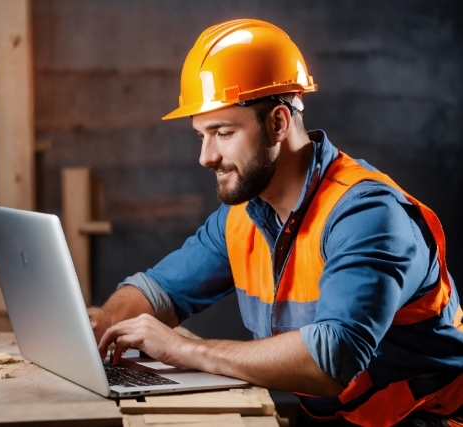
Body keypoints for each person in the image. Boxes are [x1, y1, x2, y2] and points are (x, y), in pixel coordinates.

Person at [88, 19, 463, 426]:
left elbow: (333, 359)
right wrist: (104, 321)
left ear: (279, 123)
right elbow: (161, 291)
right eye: (201, 136)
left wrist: (186, 350)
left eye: (223, 132)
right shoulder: (244, 216)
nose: (206, 157)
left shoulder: (367, 214)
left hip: (428, 419)